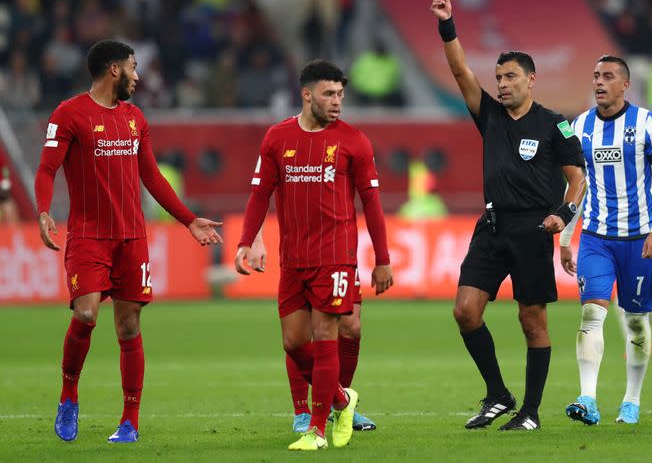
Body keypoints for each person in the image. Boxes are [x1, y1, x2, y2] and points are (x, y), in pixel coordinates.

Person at [35, 40, 223, 444]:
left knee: (128, 325)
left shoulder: (136, 118)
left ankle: (130, 421)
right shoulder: (69, 114)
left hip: (132, 237)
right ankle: (69, 396)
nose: (139, 76)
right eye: (134, 68)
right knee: (85, 315)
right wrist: (45, 211)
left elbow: (152, 177)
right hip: (88, 235)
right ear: (114, 70)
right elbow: (47, 168)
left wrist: (188, 220)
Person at [430, 0, 586, 431]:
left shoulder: (555, 124)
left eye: (511, 76)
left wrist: (563, 214)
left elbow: (578, 180)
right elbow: (460, 70)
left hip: (534, 227)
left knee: (530, 319)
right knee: (465, 311)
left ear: (531, 79)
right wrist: (448, 25)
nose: (501, 84)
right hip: (493, 225)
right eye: (498, 77)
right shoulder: (491, 117)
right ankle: (498, 394)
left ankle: (531, 412)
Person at [234, 59, 393, 450]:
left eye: (341, 94)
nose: (337, 101)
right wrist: (245, 240)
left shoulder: (354, 140)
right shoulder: (276, 138)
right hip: (294, 258)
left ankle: (317, 430)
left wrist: (383, 258)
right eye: (329, 94)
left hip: (335, 255)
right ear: (307, 95)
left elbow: (372, 203)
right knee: (293, 342)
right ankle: (341, 400)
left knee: (328, 335)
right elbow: (259, 194)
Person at [559, 56, 652, 426]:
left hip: (638, 238)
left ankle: (632, 399)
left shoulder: (647, 124)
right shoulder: (580, 125)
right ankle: (587, 398)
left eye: (608, 76)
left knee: (636, 323)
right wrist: (566, 235)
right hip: (596, 237)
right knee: (592, 313)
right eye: (595, 76)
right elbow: (578, 183)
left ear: (625, 84)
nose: (599, 82)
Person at [246, 237, 376, 432]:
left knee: (352, 327)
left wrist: (382, 256)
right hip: (301, 249)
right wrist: (255, 239)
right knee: (302, 334)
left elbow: (369, 205)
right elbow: (261, 204)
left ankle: (340, 404)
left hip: (339, 248)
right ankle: (302, 412)